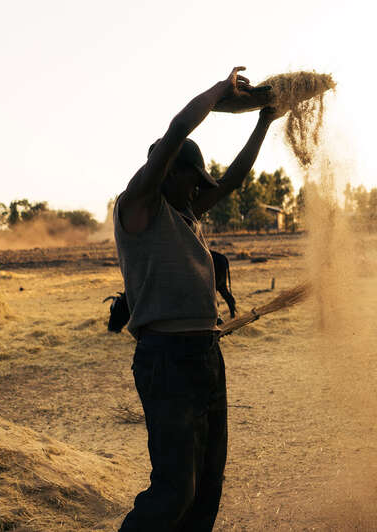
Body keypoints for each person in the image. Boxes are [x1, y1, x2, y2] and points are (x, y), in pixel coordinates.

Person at [113, 66, 279, 531]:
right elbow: (176, 131)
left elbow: (232, 182)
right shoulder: (140, 208)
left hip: (206, 355)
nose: (199, 187)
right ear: (166, 173)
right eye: (191, 177)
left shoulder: (186, 212)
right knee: (174, 489)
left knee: (207, 485)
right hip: (166, 362)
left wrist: (263, 122)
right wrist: (219, 91)